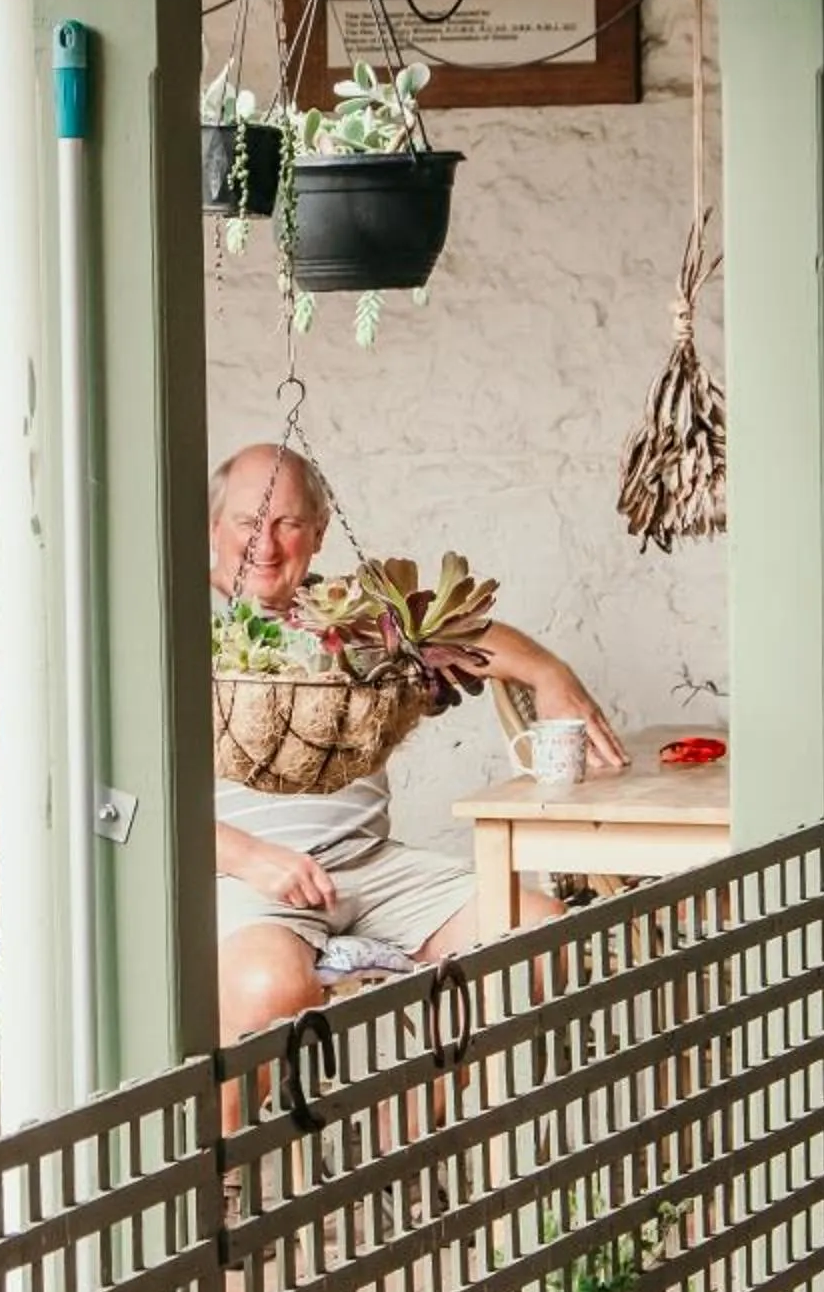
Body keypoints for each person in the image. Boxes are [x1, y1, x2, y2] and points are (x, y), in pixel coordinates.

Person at [211, 441, 624, 1040]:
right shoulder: (175, 624)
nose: (267, 545)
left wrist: (549, 674)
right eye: (249, 522)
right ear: (214, 526)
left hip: (372, 867)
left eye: (288, 523)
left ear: (321, 532)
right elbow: (125, 798)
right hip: (246, 880)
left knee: (540, 942)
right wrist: (250, 857)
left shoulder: (347, 614)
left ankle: (402, 1132)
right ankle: (215, 1138)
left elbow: (472, 634)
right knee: (269, 991)